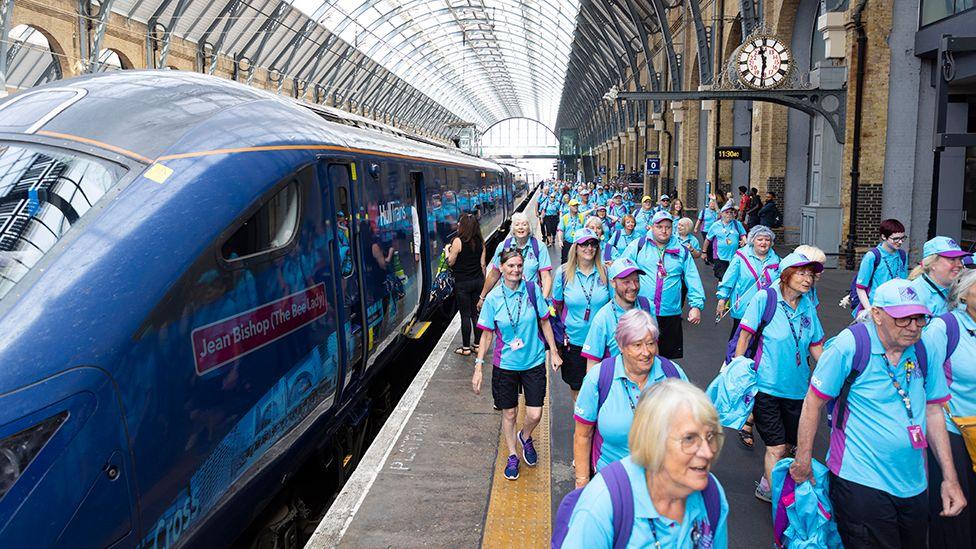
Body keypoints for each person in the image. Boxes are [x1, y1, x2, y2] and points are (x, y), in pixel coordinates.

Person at [791, 278, 965, 547]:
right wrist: (803, 459)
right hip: (859, 479)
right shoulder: (850, 345)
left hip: (915, 483)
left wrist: (950, 478)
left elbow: (933, 410)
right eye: (903, 319)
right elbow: (813, 402)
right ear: (877, 315)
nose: (913, 327)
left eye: (920, 319)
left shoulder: (924, 347)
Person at [561, 379, 729, 548]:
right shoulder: (603, 505)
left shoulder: (712, 493)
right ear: (654, 440)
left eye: (710, 436)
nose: (707, 452)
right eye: (689, 439)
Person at [735, 252, 825, 502]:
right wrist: (740, 374)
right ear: (786, 275)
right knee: (775, 446)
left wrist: (833, 372)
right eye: (802, 273)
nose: (808, 279)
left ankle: (766, 484)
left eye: (811, 274)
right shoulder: (766, 298)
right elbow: (745, 336)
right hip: (766, 388)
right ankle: (781, 505)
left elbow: (815, 344)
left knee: (787, 446)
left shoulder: (807, 305)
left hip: (797, 390)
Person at [473, 248, 562, 481]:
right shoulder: (493, 299)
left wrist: (553, 352)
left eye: (519, 266)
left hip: (533, 361)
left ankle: (525, 435)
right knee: (510, 412)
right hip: (506, 366)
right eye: (510, 266)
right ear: (501, 268)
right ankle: (513, 454)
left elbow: (545, 323)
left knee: (534, 413)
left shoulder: (532, 290)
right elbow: (486, 335)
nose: (515, 270)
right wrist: (479, 366)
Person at [573, 309, 688, 480]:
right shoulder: (599, 378)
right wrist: (581, 485)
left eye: (651, 343)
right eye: (637, 345)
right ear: (621, 345)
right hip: (611, 482)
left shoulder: (672, 374)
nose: (647, 352)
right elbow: (582, 435)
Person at [924, 269, 976, 546]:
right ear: (964, 294)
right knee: (956, 517)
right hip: (952, 430)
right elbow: (923, 384)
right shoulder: (944, 328)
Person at [622, 211, 705, 359]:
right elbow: (622, 270)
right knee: (639, 356)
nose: (664, 230)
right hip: (643, 312)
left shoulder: (681, 251)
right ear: (652, 227)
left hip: (670, 314)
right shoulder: (639, 246)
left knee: (666, 360)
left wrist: (696, 306)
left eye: (667, 226)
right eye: (659, 226)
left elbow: (693, 278)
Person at [553, 229, 612, 399]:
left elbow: (614, 306)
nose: (589, 248)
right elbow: (556, 307)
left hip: (602, 341)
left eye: (593, 244)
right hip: (574, 342)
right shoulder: (563, 273)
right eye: (584, 244)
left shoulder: (606, 273)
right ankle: (582, 424)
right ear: (576, 248)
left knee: (602, 389)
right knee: (578, 390)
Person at [582, 258, 654, 368]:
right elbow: (592, 364)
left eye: (636, 280)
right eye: (626, 282)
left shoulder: (648, 306)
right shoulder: (603, 318)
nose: (634, 287)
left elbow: (655, 346)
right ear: (613, 283)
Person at [716, 225, 780, 339]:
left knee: (761, 340)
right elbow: (729, 279)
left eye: (767, 239)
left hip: (766, 307)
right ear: (752, 240)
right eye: (760, 239)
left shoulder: (777, 260)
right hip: (743, 306)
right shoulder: (741, 257)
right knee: (739, 339)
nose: (764, 243)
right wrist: (722, 299)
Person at [480, 212, 552, 306]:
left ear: (529, 228)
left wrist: (542, 301)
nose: (520, 227)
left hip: (530, 300)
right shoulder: (503, 246)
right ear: (513, 229)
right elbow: (494, 274)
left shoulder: (539, 247)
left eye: (524, 224)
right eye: (517, 225)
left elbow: (546, 277)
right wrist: (482, 297)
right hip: (506, 301)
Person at [446, 214, 486, 355]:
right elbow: (482, 265)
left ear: (462, 226)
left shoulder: (457, 241)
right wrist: (483, 286)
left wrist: (447, 251)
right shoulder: (480, 242)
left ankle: (466, 348)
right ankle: (476, 345)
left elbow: (450, 262)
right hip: (478, 282)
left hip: (463, 283)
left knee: (465, 315)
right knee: (476, 314)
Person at [853, 219, 909, 316]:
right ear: (884, 236)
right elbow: (860, 287)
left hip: (897, 307)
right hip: (876, 307)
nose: (900, 242)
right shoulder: (872, 256)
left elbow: (904, 284)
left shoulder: (903, 255)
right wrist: (869, 310)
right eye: (895, 239)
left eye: (902, 238)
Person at [909, 236, 971, 317]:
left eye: (960, 259)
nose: (960, 264)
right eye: (952, 259)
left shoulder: (956, 288)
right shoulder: (916, 294)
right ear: (932, 263)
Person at [706, 203, 747, 280]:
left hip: (735, 256)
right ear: (722, 214)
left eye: (731, 212)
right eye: (726, 212)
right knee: (722, 277)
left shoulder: (737, 224)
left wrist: (744, 241)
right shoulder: (715, 225)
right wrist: (704, 252)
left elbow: (743, 234)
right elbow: (708, 239)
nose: (729, 214)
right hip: (719, 256)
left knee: (733, 277)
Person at [557, 200, 587, 264]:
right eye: (574, 205)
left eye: (577, 205)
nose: (576, 207)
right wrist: (560, 240)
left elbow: (585, 230)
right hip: (568, 243)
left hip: (579, 243)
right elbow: (560, 230)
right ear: (569, 207)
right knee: (565, 261)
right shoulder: (564, 218)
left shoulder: (582, 217)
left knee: (579, 261)